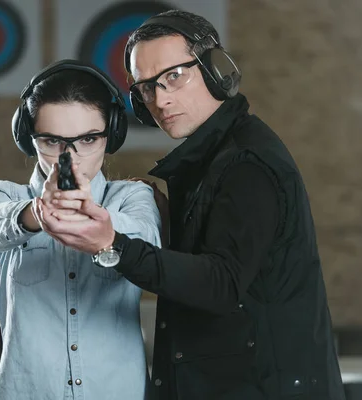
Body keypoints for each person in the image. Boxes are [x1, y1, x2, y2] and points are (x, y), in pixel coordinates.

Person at [35, 10, 346, 400]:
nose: (161, 99)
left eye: (174, 77)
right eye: (147, 87)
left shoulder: (245, 163)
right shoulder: (209, 162)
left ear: (214, 71)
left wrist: (112, 245)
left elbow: (221, 284)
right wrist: (172, 224)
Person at [0, 60, 161, 400]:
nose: (70, 157)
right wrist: (37, 212)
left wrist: (99, 220)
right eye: (52, 140)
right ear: (30, 140)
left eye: (88, 139)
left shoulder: (132, 197)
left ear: (112, 134)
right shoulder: (6, 195)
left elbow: (150, 244)